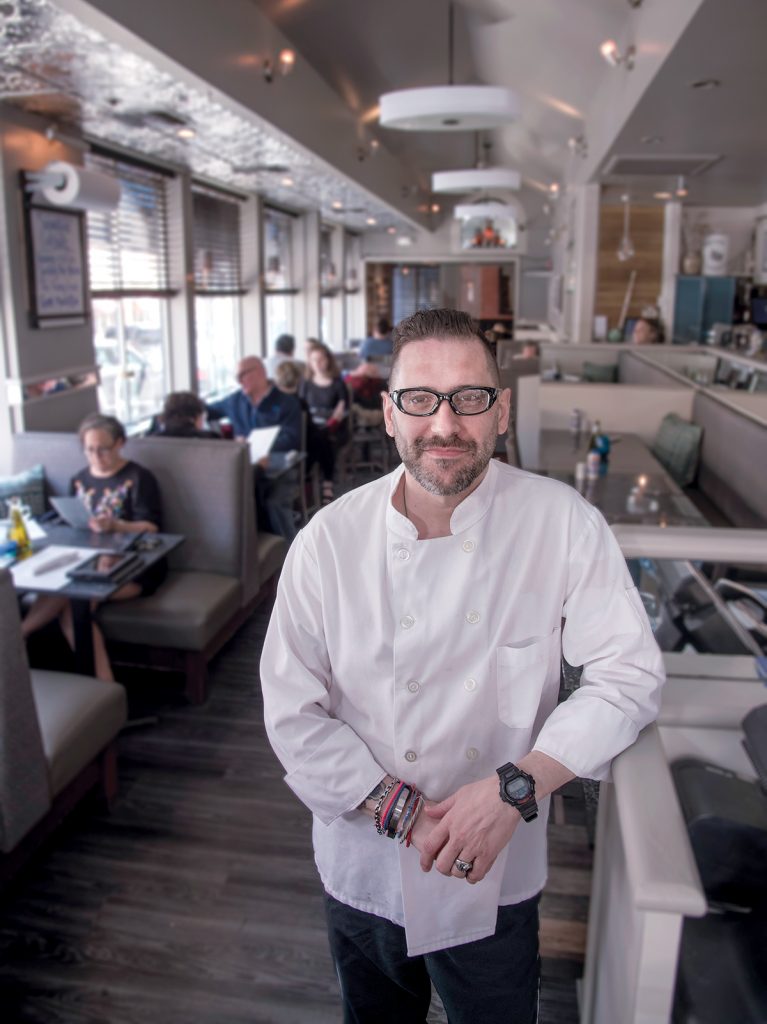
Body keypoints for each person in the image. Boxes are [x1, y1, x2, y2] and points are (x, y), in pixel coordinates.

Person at [260, 307, 665, 1023]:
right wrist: (405, 813)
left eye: (469, 398)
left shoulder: (562, 522)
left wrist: (515, 787)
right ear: (387, 413)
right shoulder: (327, 541)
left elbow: (626, 676)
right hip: (364, 866)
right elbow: (293, 713)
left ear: (500, 410)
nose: (443, 424)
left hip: (497, 871)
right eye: (419, 398)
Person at [21, 413, 164, 681]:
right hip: (86, 559)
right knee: (72, 603)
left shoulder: (139, 477)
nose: (96, 456)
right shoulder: (79, 479)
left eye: (103, 449)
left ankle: (19, 635)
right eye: (89, 450)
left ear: (120, 443)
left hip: (134, 564)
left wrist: (117, 526)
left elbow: (151, 527)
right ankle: (105, 687)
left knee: (74, 600)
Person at [299, 342, 349, 504]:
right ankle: (327, 482)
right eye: (314, 360)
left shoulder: (337, 383)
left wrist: (330, 424)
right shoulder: (305, 383)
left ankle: (308, 480)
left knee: (323, 438)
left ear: (328, 360)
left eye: (321, 359)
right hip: (311, 427)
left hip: (333, 426)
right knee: (318, 439)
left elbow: (341, 410)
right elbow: (301, 408)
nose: (318, 364)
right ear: (310, 363)